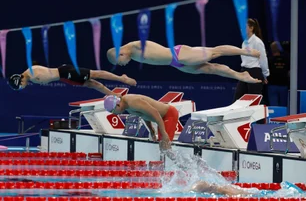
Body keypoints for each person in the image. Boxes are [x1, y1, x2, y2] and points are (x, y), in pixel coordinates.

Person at [106, 40, 262, 83]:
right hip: (176, 64)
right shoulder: (131, 55)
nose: (121, 65)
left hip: (179, 54)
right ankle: (241, 76)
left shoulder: (135, 46)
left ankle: (245, 51)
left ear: (121, 53)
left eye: (119, 62)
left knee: (215, 52)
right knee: (212, 68)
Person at [103, 94, 178, 151]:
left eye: (113, 111)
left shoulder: (133, 102)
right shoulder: (127, 106)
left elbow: (155, 113)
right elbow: (144, 114)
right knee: (163, 148)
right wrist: (151, 130)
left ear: (117, 105)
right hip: (161, 118)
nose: (115, 114)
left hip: (168, 114)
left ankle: (184, 166)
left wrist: (164, 133)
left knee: (165, 148)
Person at [8, 64, 137, 96]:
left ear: (19, 81)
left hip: (66, 73)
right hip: (65, 77)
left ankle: (122, 78)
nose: (22, 88)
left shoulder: (31, 72)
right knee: (93, 84)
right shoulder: (29, 76)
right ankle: (115, 96)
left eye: (20, 86)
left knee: (96, 75)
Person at [234, 18, 270, 101]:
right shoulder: (244, 43)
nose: (242, 29)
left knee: (254, 100)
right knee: (238, 99)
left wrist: (264, 74)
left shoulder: (258, 42)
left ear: (251, 28)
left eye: (244, 27)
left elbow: (263, 59)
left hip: (255, 72)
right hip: (244, 72)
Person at [267, 41, 290, 107]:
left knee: (274, 106)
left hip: (272, 86)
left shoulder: (269, 60)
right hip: (283, 85)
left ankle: (275, 117)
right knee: (283, 106)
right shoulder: (286, 59)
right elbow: (289, 72)